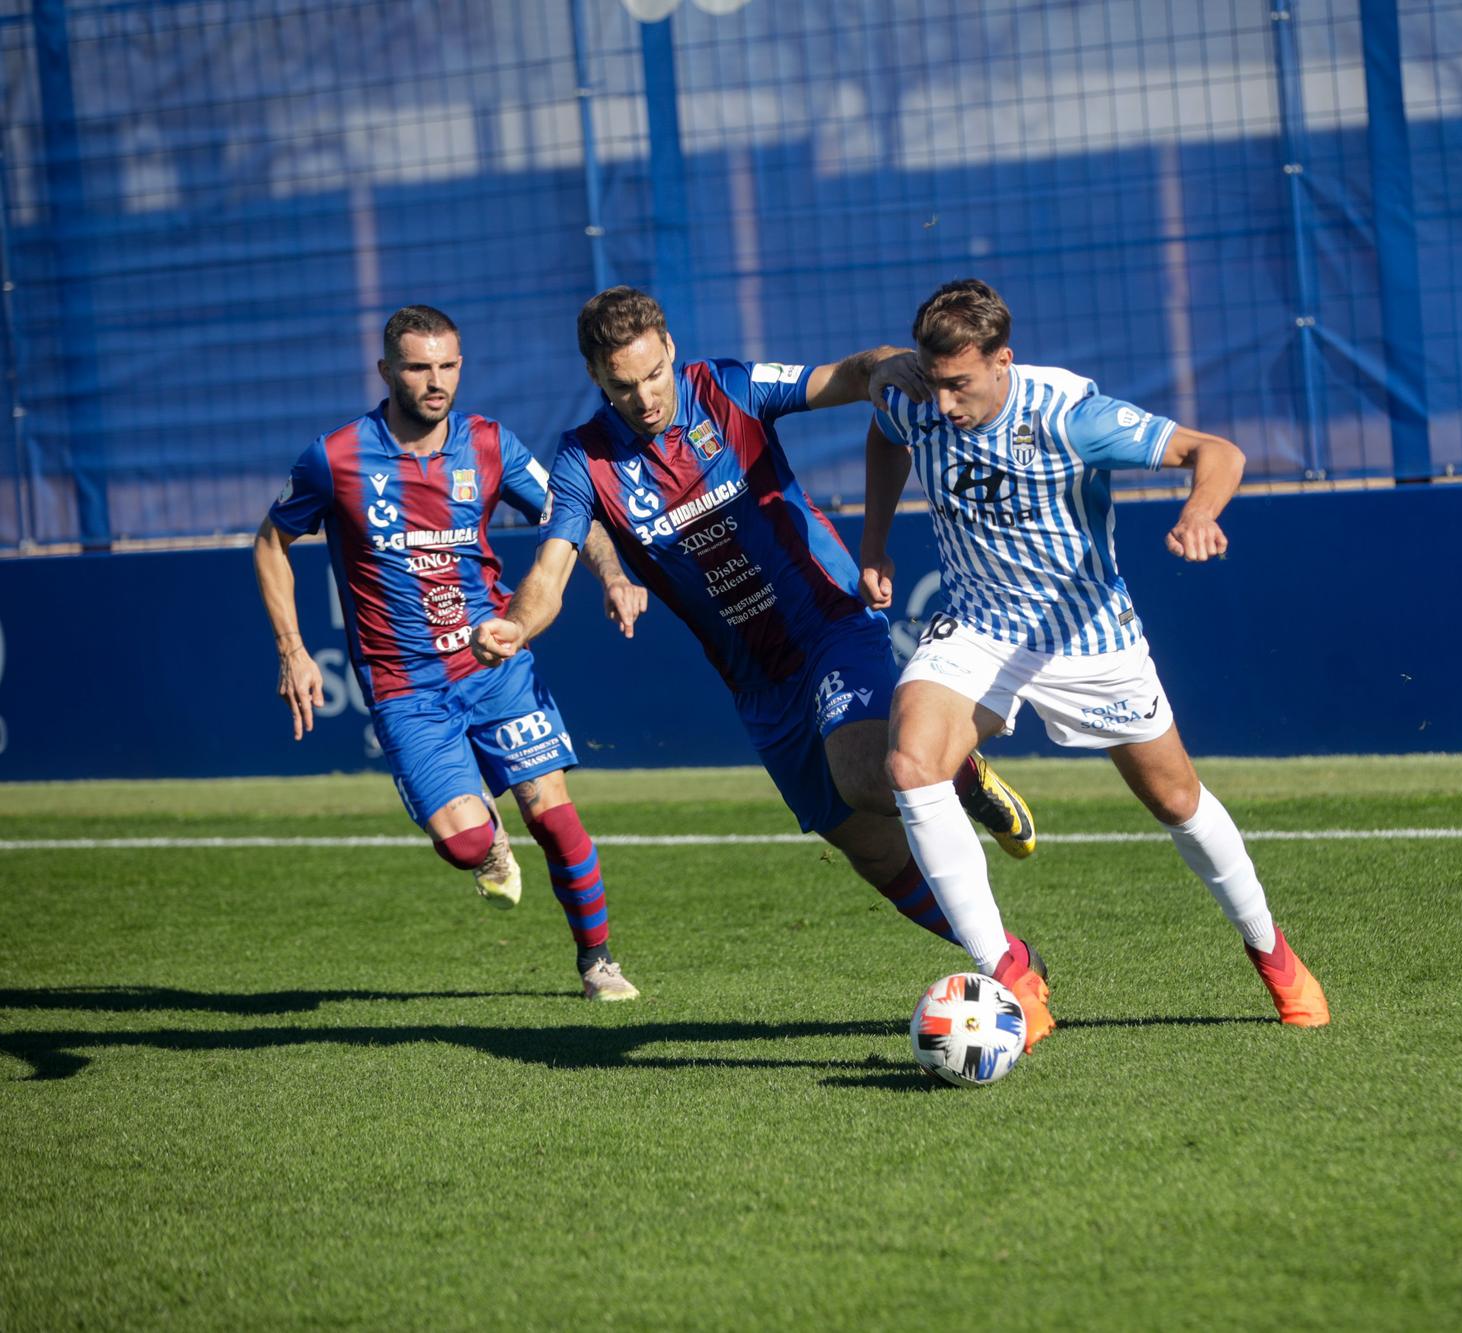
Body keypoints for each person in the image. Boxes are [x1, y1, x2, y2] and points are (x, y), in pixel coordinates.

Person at [472, 286, 1047, 990]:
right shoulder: (583, 462)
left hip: (829, 622)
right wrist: (516, 623)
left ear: (671, 352)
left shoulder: (729, 390)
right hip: (758, 686)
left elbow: (850, 374)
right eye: (624, 386)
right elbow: (550, 570)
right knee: (871, 851)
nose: (647, 397)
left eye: (654, 375)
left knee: (864, 772)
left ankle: (991, 917)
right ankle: (1016, 956)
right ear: (597, 378)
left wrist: (891, 368)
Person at [859, 278, 1331, 1049]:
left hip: (1087, 638)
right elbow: (888, 433)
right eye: (934, 382)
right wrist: (875, 540)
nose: (943, 404)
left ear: (1002, 361)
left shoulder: (1070, 416)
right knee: (910, 762)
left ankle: (1272, 953)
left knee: (1178, 800)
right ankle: (1009, 975)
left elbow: (1215, 452)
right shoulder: (915, 396)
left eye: (961, 386)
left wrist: (1199, 510)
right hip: (977, 626)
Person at [254, 304, 647, 1001]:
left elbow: (569, 512)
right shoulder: (337, 457)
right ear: (386, 371)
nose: (435, 381)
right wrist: (293, 648)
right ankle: (487, 844)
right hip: (404, 688)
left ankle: (599, 963)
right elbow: (271, 542)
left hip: (495, 666)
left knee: (554, 817)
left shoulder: (489, 443)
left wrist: (613, 574)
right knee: (466, 843)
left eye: (447, 366)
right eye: (417, 366)